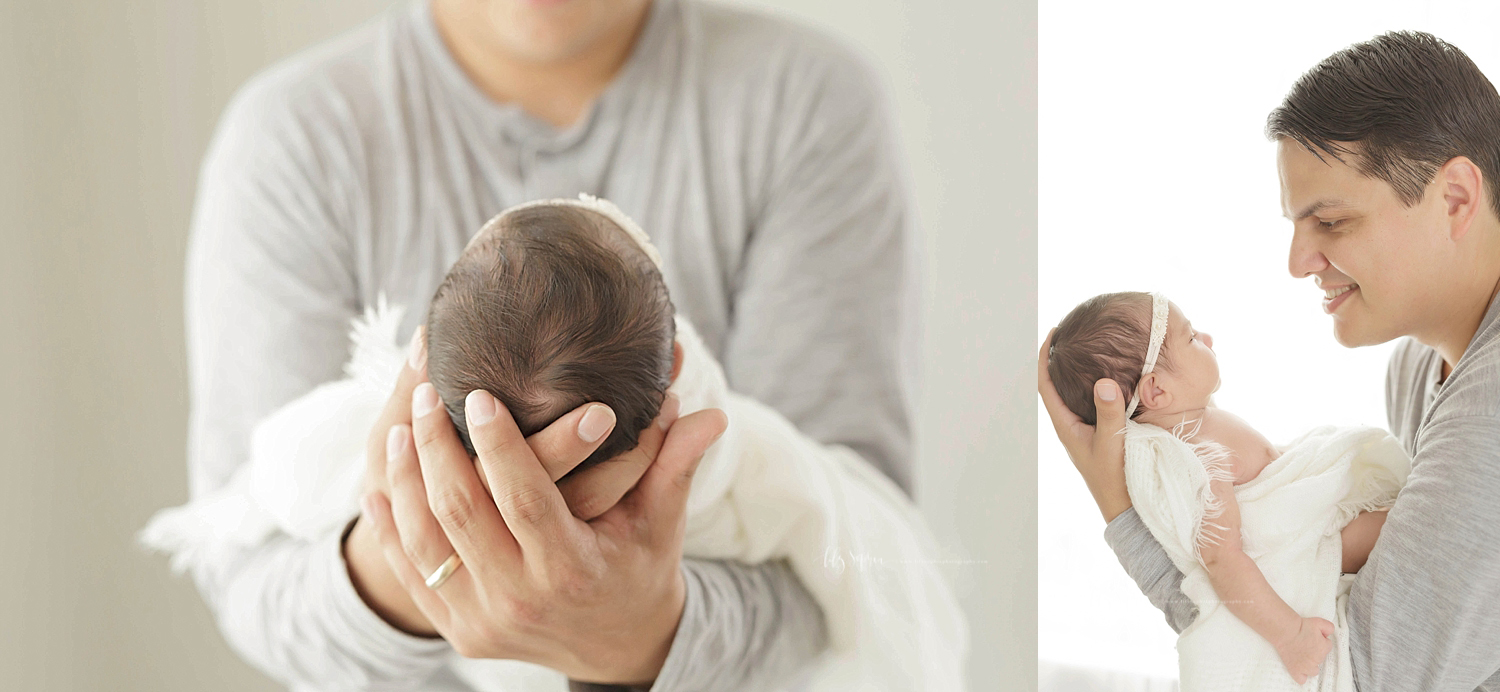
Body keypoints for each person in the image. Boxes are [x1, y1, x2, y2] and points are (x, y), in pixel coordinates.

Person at [182, 0, 918, 689]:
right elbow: (246, 569)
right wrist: (409, 556)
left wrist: (645, 636)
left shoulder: (805, 106)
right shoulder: (295, 140)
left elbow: (858, 546)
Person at [1041, 31, 1500, 691]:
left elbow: (1348, 677)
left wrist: (1120, 509)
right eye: (1295, 225)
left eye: (1332, 223)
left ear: (1454, 199)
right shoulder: (1415, 368)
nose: (1297, 262)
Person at [1048, 292, 1402, 688]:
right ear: (1157, 392)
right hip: (1298, 551)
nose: (1209, 339)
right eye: (1192, 338)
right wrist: (1291, 634)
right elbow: (1220, 556)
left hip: (1310, 528)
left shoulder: (1195, 423)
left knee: (1399, 520)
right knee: (1401, 527)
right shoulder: (1195, 457)